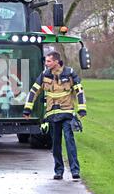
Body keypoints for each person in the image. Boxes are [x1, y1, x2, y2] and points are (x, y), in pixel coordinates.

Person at [23, 51, 87, 180]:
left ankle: (75, 170)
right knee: (56, 144)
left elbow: (79, 90)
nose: (46, 63)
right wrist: (27, 109)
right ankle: (59, 171)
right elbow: (33, 91)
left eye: (48, 61)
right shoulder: (44, 75)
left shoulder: (69, 73)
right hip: (52, 115)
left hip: (67, 113)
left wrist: (82, 109)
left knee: (69, 141)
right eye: (46, 61)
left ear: (56, 62)